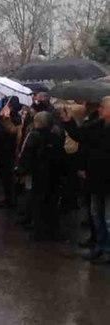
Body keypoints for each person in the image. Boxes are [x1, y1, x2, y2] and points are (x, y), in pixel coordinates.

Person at [62, 96, 110, 263]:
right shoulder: (97, 125)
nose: (100, 110)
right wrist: (68, 122)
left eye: (103, 107)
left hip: (106, 178)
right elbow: (80, 135)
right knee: (97, 213)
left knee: (107, 216)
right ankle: (100, 246)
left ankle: (107, 250)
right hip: (96, 176)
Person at [16, 111, 65, 241]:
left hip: (38, 174)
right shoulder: (56, 136)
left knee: (38, 203)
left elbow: (27, 154)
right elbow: (61, 156)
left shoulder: (34, 136)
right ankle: (52, 231)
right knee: (51, 204)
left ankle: (39, 231)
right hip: (53, 176)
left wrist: (22, 170)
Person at [0, 96, 23, 209]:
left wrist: (5, 120)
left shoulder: (14, 118)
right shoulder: (8, 116)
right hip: (3, 149)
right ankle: (8, 198)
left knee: (7, 176)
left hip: (7, 150)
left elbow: (12, 132)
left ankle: (10, 199)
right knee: (5, 176)